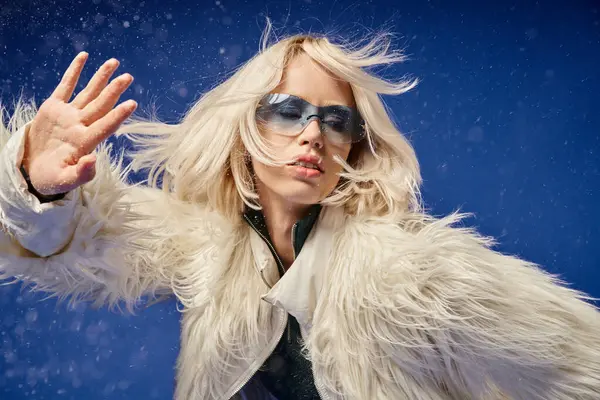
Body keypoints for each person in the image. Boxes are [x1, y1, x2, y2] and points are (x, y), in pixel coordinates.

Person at [0, 27, 599, 400]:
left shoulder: (415, 277)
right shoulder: (206, 246)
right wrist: (36, 185)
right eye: (287, 110)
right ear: (245, 127)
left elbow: (581, 368)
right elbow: (74, 242)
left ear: (354, 149)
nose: (314, 132)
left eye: (338, 120)